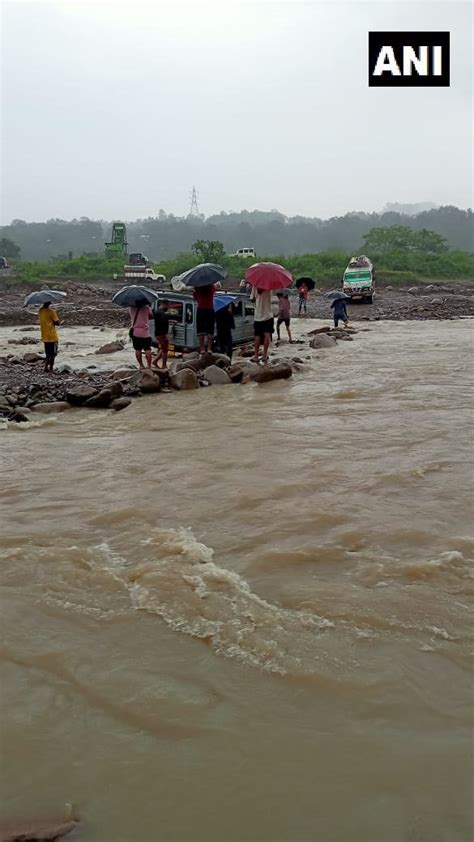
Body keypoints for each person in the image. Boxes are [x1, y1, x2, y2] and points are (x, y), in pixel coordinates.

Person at [251, 286, 273, 363]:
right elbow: (270, 298)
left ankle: (256, 356)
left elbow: (252, 299)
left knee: (257, 336)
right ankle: (264, 355)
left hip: (258, 316)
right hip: (268, 315)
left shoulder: (255, 285)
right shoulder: (269, 286)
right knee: (267, 336)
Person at [129, 299, 153, 369]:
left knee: (138, 349)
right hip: (145, 333)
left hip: (135, 332)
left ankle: (141, 365)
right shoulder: (146, 307)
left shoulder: (131, 308)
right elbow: (151, 316)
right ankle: (149, 366)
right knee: (147, 349)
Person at [193, 284, 216, 354]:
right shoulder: (211, 286)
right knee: (210, 330)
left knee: (200, 329)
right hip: (210, 309)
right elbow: (214, 292)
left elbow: (195, 298)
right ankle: (209, 348)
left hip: (201, 309)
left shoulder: (197, 287)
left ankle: (202, 348)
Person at [38, 301, 60, 372]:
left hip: (44, 336)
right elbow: (58, 323)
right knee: (53, 353)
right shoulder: (51, 312)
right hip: (52, 336)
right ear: (49, 303)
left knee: (47, 353)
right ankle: (51, 368)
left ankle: (45, 367)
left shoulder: (40, 311)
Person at [153, 299, 170, 369]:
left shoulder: (159, 312)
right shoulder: (160, 313)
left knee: (163, 349)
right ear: (164, 305)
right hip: (161, 334)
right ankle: (164, 365)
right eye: (168, 306)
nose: (168, 308)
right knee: (165, 350)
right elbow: (162, 322)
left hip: (160, 333)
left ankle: (155, 361)